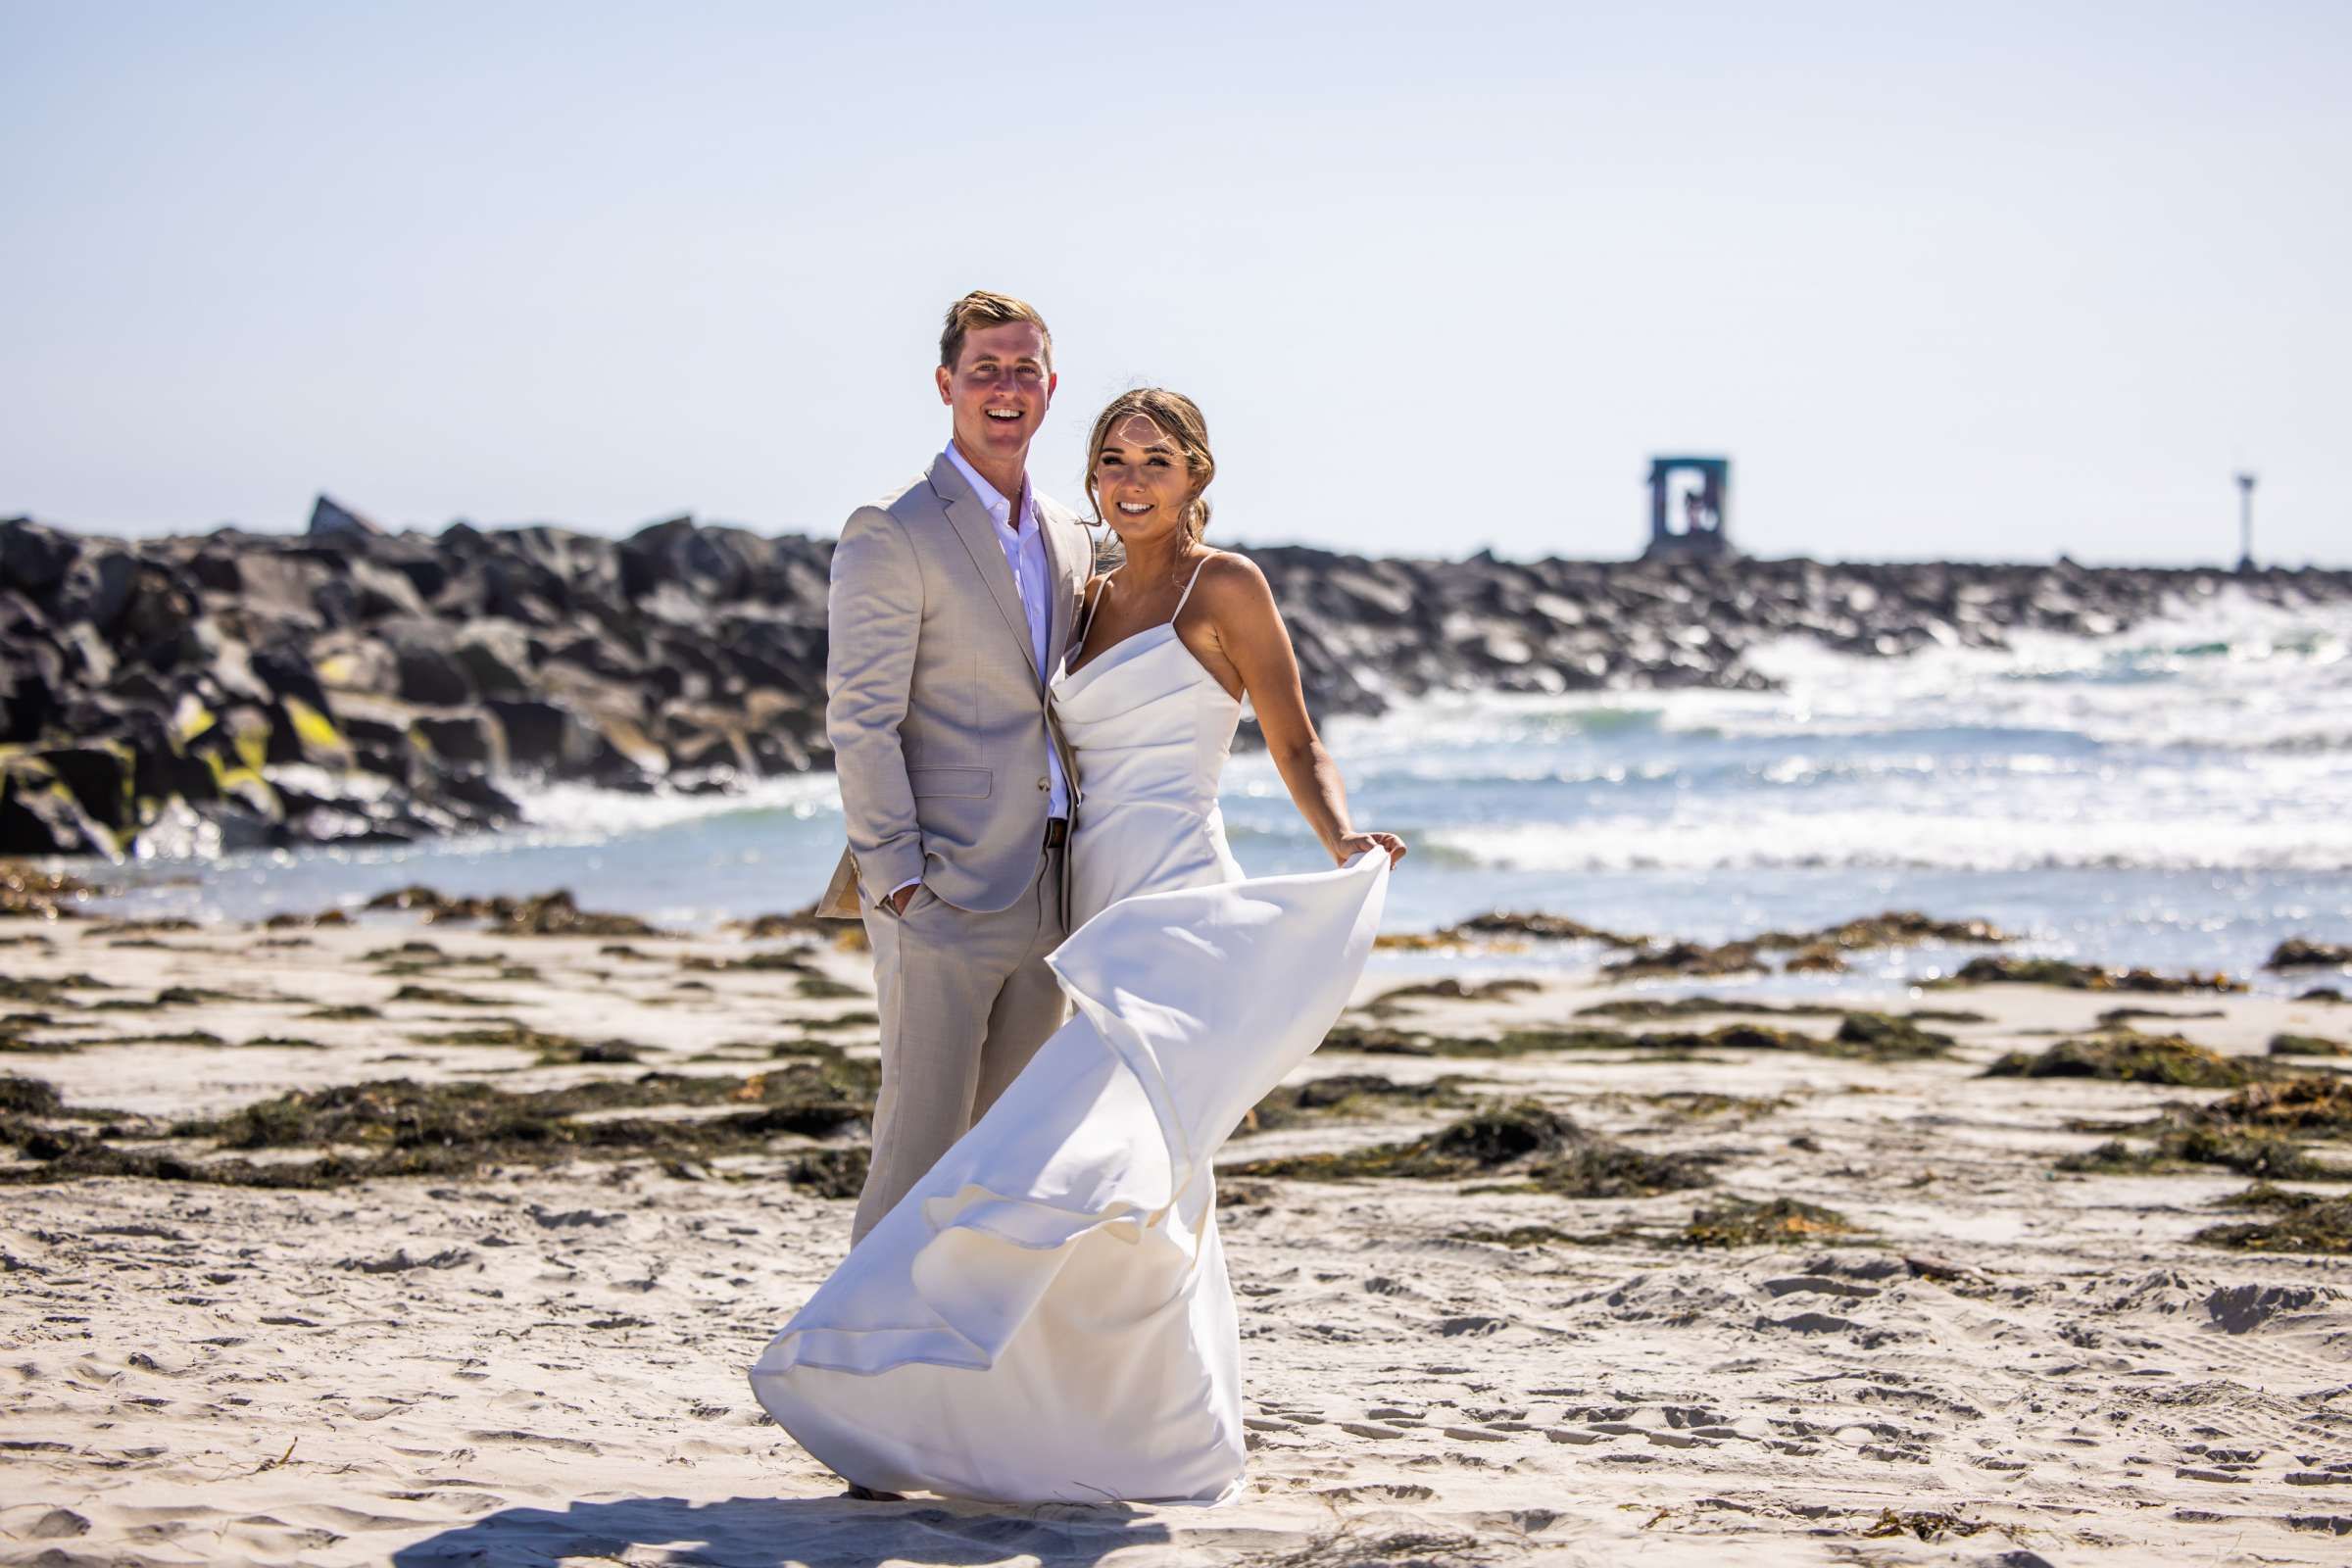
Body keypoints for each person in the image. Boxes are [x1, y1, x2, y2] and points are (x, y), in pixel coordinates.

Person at [752, 387, 1404, 1504]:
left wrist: (1341, 833)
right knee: (1127, 1181)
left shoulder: (1228, 586)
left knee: (1095, 1158)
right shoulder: (1085, 592)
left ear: (1198, 474)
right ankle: (1101, 1428)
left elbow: (1295, 738)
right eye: (1112, 458)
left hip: (1177, 901)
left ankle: (928, 1382)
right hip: (1081, 903)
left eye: (1157, 458)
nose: (1130, 478)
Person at [813, 290, 1094, 1247]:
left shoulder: (1067, 532)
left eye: (1024, 371)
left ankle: (952, 1377)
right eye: (986, 370)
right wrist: (896, 882)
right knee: (918, 1155)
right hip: (940, 898)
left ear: (1050, 388)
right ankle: (849, 1372)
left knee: (1004, 1160)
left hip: (1051, 892)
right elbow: (860, 717)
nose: (1006, 388)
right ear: (947, 385)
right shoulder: (892, 531)